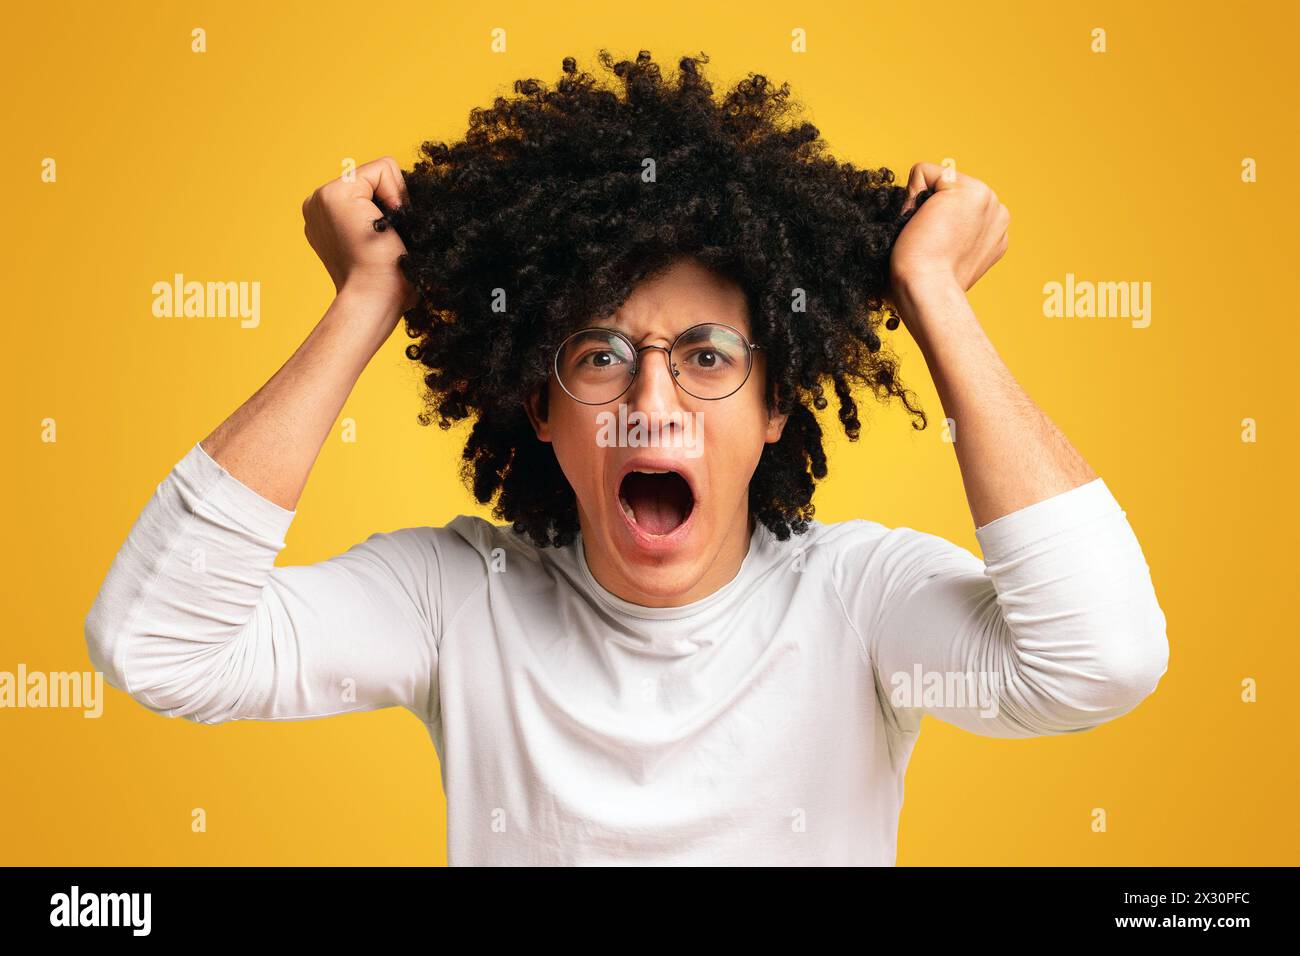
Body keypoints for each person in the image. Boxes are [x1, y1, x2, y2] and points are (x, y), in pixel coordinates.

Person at [84, 51, 1169, 865]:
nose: (651, 409)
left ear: (778, 406)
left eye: (707, 356)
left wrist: (933, 296)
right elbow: (156, 645)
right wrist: (366, 301)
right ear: (538, 405)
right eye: (599, 356)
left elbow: (1102, 656)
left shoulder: (857, 598)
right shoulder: (461, 596)